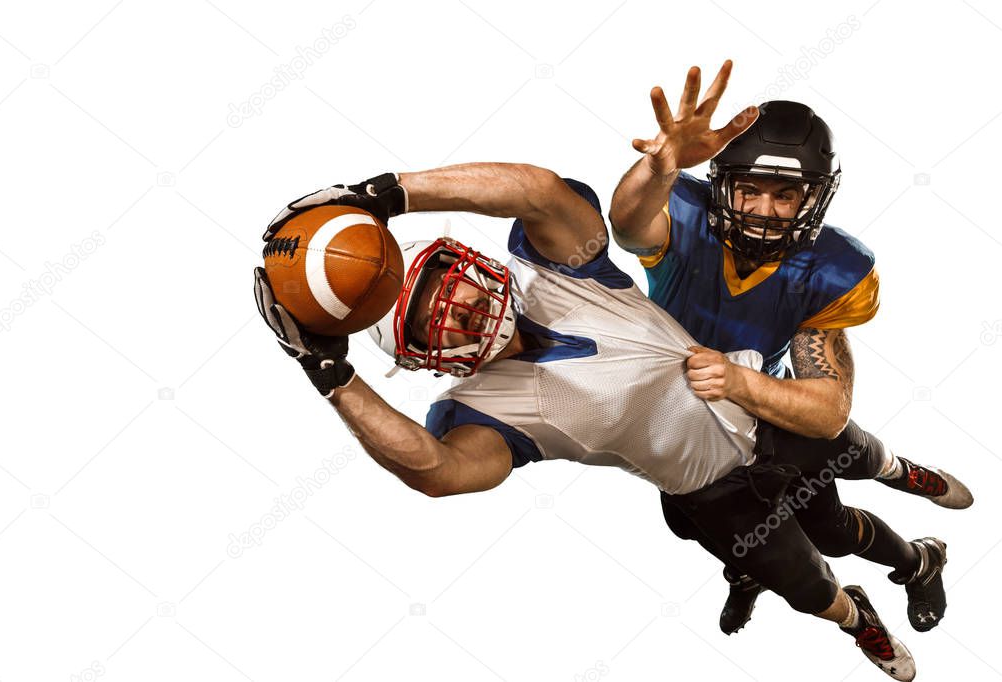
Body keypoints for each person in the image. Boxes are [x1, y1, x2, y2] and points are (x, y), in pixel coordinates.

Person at [255, 162, 915, 680]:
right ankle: (857, 619)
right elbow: (435, 471)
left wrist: (384, 194)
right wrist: (329, 374)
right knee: (807, 583)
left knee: (861, 457)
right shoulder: (476, 412)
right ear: (426, 357)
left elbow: (537, 189)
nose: (455, 311)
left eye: (448, 287)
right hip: (713, 492)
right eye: (434, 319)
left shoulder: (553, 265)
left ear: (471, 264)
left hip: (763, 407)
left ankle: (908, 513)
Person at [608, 61, 972, 635]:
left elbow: (827, 412)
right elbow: (627, 223)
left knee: (828, 530)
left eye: (784, 195)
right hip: (680, 416)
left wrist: (734, 381)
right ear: (721, 184)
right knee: (704, 523)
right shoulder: (682, 215)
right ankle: (749, 573)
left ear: (813, 198)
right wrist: (661, 164)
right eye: (748, 189)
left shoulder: (829, 270)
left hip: (766, 416)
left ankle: (919, 554)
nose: (761, 209)